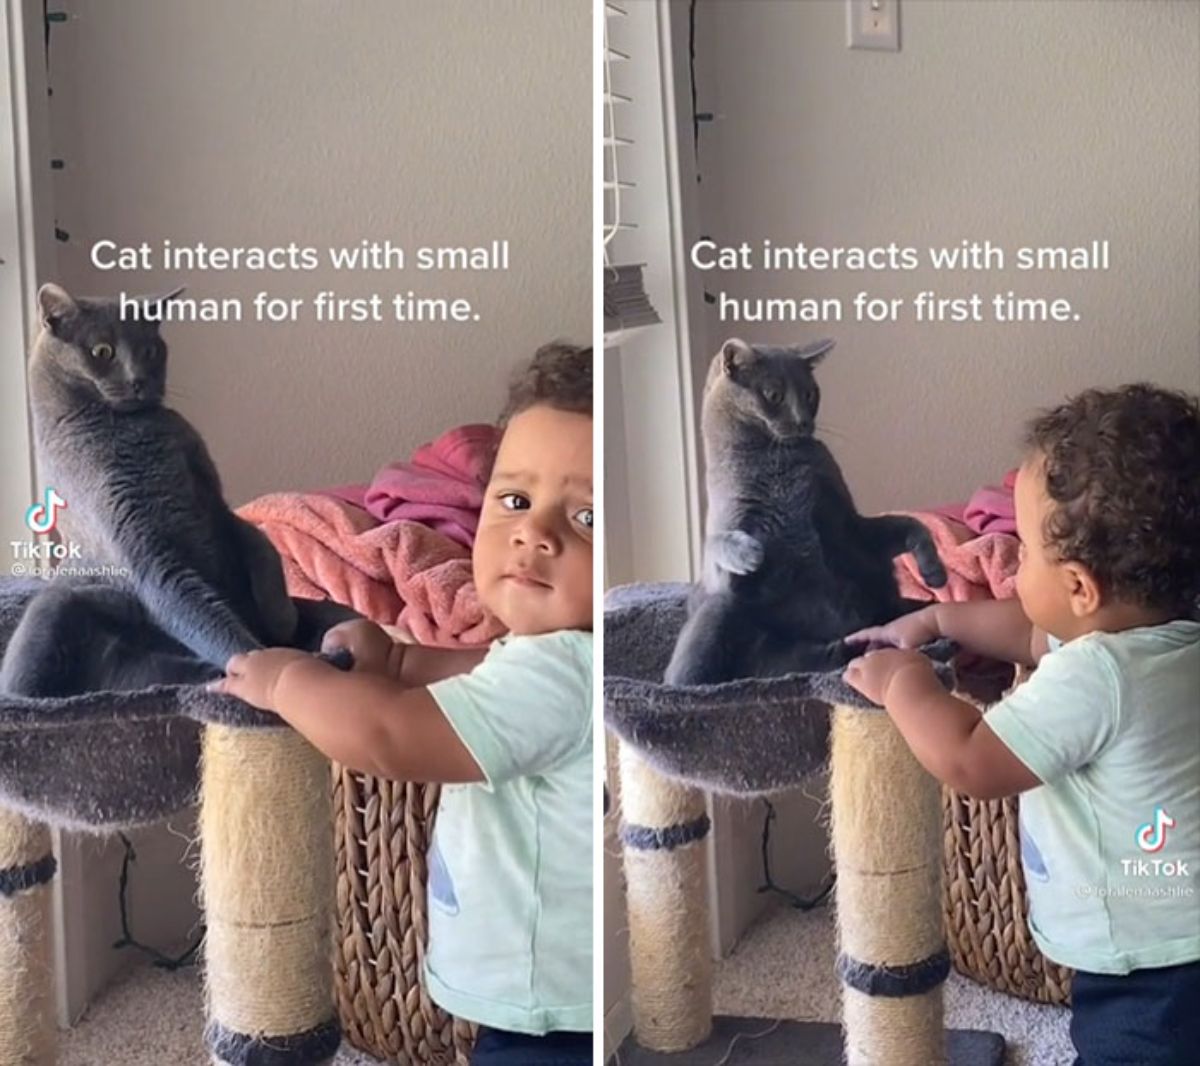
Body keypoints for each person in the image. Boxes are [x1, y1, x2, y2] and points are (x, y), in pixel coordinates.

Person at [210, 343, 595, 1065]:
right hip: (550, 993)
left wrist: (285, 683)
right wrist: (402, 659)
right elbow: (487, 668)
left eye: (588, 520)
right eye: (514, 500)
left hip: (554, 1020)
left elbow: (388, 735)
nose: (534, 533)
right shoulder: (558, 657)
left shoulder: (560, 675)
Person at [843, 383, 1200, 1066]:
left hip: (1149, 973)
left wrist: (901, 681)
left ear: (1080, 588)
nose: (1014, 566)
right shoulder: (1161, 636)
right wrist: (940, 618)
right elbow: (1033, 633)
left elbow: (970, 759)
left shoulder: (1098, 677)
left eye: (1027, 553)